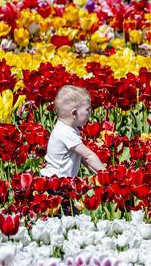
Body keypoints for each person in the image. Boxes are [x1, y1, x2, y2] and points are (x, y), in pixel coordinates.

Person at [41, 85, 106, 214]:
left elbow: (83, 159)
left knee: (69, 216)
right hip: (57, 186)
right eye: (88, 109)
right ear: (74, 113)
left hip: (58, 183)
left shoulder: (68, 129)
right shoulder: (65, 133)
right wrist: (107, 175)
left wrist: (98, 176)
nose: (90, 113)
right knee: (66, 218)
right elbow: (88, 156)